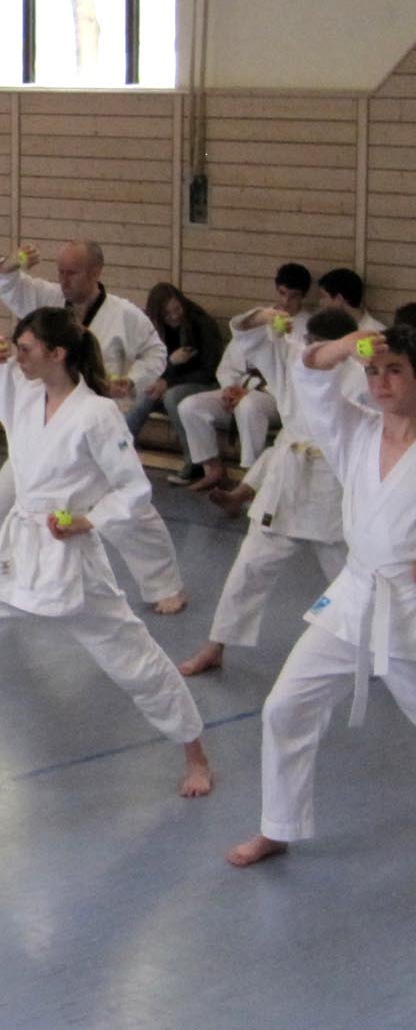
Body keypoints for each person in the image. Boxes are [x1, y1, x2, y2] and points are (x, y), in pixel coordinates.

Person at [0, 309, 214, 800]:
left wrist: (88, 521)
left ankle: (195, 755)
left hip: (70, 556)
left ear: (57, 354)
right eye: (16, 347)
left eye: (26, 348)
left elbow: (133, 488)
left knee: (135, 659)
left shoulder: (97, 413)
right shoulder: (19, 389)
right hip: (14, 554)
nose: (17, 356)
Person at [225, 323, 416, 868]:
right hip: (356, 596)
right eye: (373, 371)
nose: (380, 382)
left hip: (409, 608)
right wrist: (344, 347)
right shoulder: (355, 430)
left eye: (395, 370)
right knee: (286, 707)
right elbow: (309, 374)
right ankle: (278, 826)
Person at [0, 240, 189, 614]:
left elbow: (156, 353)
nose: (63, 280)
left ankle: (165, 586)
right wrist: (13, 262)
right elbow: (5, 283)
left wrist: (132, 380)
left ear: (96, 272)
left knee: (134, 511)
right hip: (43, 426)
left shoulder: (124, 315)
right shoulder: (46, 302)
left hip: (97, 427)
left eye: (72, 273)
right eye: (60, 271)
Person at [180, 307, 358, 677]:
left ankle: (379, 649)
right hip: (287, 481)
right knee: (250, 566)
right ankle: (216, 644)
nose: (316, 351)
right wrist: (261, 315)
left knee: (352, 575)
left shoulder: (362, 374)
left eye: (325, 346)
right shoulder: (294, 358)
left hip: (333, 484)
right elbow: (245, 332)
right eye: (312, 343)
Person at [171, 262, 309, 488]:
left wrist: (248, 391)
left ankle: (250, 478)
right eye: (282, 293)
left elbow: (294, 376)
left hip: (277, 397)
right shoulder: (260, 318)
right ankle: (213, 468)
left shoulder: (307, 326)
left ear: (303, 296)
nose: (286, 301)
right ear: (276, 289)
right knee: (189, 406)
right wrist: (229, 387)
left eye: (293, 296)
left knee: (249, 405)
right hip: (239, 389)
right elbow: (229, 363)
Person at [126, 282, 223, 455]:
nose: (174, 316)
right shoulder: (155, 330)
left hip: (205, 383)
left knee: (172, 397)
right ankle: (119, 448)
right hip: (172, 382)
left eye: (177, 309)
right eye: (167, 314)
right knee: (146, 394)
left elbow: (208, 371)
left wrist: (168, 382)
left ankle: (194, 460)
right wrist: (171, 363)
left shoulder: (201, 324)